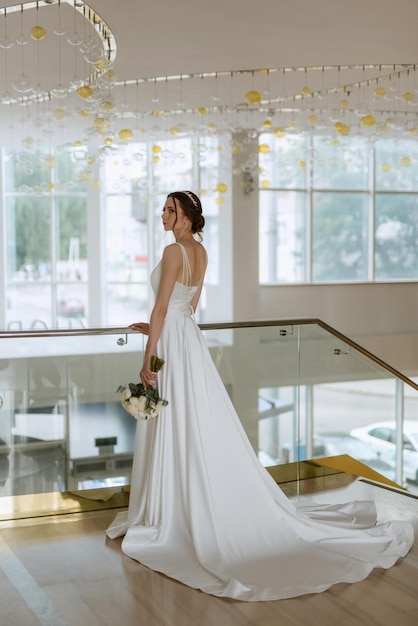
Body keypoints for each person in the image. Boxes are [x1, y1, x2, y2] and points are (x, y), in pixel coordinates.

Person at [106, 191, 414, 602]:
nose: (163, 215)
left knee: (175, 420)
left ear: (185, 217)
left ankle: (170, 510)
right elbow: (189, 307)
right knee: (195, 419)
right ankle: (192, 500)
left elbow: (164, 308)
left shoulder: (173, 250)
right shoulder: (200, 251)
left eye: (169, 210)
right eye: (164, 209)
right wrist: (159, 328)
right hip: (188, 343)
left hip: (171, 344)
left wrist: (149, 355)